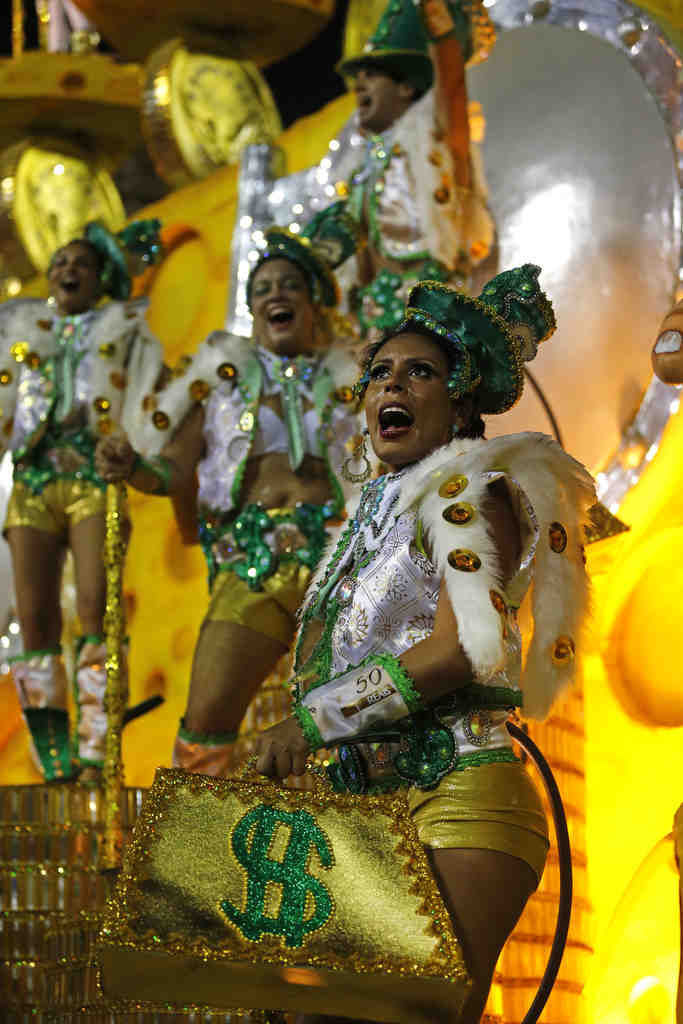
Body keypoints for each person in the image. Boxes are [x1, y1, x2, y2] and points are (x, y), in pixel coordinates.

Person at [253, 265, 595, 1023]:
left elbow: (462, 649)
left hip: (459, 796)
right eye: (378, 374)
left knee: (405, 1013)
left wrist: (312, 723)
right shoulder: (370, 514)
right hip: (367, 808)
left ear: (459, 402)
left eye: (419, 373)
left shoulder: (468, 487)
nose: (390, 387)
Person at [95, 219, 362, 776]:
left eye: (289, 284)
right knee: (206, 717)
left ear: (314, 301)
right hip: (253, 559)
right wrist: (133, 467)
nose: (275, 295)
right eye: (262, 289)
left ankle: (349, 852)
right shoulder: (223, 377)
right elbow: (172, 470)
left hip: (340, 561)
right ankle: (190, 861)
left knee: (345, 721)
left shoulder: (357, 376)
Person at [1, 219, 164, 782]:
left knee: (96, 605)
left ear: (100, 277)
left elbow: (147, 398)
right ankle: (54, 758)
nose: (68, 269)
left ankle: (96, 748)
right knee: (35, 615)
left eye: (80, 262)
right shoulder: (22, 332)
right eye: (59, 264)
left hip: (93, 477)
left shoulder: (126, 329)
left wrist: (133, 447)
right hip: (34, 479)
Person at [313, 0, 495, 343]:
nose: (359, 85)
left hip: (434, 318)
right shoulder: (359, 175)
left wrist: (442, 34)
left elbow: (452, 94)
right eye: (358, 77)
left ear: (405, 87)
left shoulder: (433, 144)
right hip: (372, 328)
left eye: (372, 75)